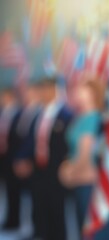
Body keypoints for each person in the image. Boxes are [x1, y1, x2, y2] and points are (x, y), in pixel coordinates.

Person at [16, 73, 73, 240]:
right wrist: (23, 158)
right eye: (40, 89)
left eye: (46, 89)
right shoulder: (38, 114)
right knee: (39, 204)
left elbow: (68, 144)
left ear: (54, 90)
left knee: (56, 208)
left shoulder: (66, 114)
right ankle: (41, 233)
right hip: (38, 168)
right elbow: (32, 139)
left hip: (56, 170)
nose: (42, 93)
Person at [59, 78, 105, 233]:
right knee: (78, 225)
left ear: (92, 93)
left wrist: (70, 173)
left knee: (86, 227)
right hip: (77, 177)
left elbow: (85, 154)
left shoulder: (92, 118)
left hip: (85, 178)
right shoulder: (80, 117)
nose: (78, 93)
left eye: (82, 89)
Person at [0, 68, 22, 231]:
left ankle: (14, 220)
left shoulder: (19, 113)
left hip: (12, 157)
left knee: (14, 191)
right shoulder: (3, 112)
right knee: (6, 190)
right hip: (2, 157)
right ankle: (8, 218)